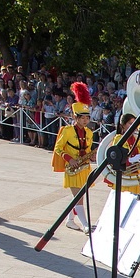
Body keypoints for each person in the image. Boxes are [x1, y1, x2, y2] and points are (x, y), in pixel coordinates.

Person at [52, 82, 95, 233]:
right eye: (82, 118)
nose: (85, 120)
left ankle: (70, 220)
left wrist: (92, 156)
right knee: (79, 198)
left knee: (78, 196)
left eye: (87, 118)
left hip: (84, 168)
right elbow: (58, 148)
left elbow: (88, 149)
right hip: (72, 167)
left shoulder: (90, 133)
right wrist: (70, 159)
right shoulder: (68, 130)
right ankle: (86, 225)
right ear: (75, 117)